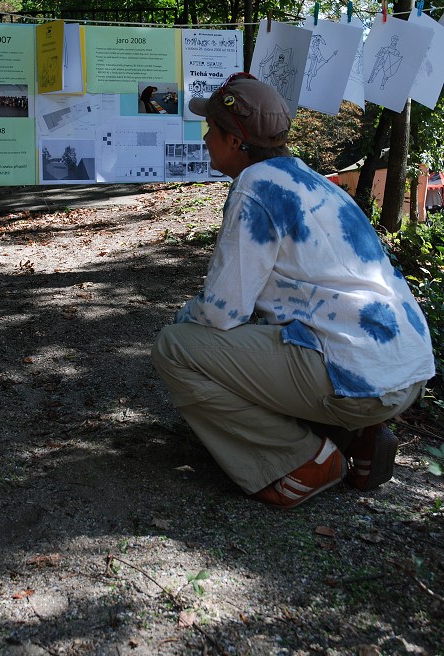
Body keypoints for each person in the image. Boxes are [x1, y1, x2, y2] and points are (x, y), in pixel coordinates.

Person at [151, 73, 434, 509]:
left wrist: (183, 318)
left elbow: (223, 312)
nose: (206, 138)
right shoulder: (313, 181)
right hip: (405, 369)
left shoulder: (255, 188)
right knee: (273, 340)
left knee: (176, 348)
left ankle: (302, 460)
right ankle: (355, 437)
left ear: (235, 141)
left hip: (358, 379)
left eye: (211, 129)